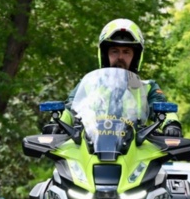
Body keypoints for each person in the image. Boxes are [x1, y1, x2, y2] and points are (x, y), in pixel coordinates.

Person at [49, 18, 182, 137]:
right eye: (114, 51)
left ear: (135, 57)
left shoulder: (147, 87)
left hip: (135, 151)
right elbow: (71, 108)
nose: (120, 57)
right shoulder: (90, 84)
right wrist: (57, 123)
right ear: (105, 55)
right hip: (90, 148)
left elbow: (163, 109)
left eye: (126, 52)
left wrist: (171, 124)